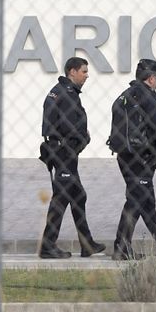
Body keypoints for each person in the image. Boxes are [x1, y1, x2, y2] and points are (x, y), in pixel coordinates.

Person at [38, 57, 107, 259]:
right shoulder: (67, 94)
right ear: (72, 72)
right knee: (61, 198)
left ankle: (87, 244)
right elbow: (70, 127)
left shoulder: (60, 91)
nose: (87, 75)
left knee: (78, 196)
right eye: (84, 71)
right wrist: (84, 138)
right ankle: (47, 246)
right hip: (64, 153)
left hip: (61, 151)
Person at [106, 58, 156, 260]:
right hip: (140, 157)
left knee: (145, 200)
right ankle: (121, 248)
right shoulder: (148, 96)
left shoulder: (126, 94)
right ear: (152, 78)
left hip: (125, 154)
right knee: (136, 201)